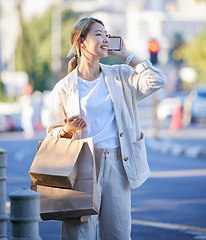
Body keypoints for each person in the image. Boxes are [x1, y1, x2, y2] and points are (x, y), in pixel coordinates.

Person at [47, 17, 167, 240]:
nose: (105, 38)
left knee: (118, 233)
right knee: (78, 233)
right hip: (81, 164)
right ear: (81, 42)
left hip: (118, 163)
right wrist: (67, 129)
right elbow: (51, 134)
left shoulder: (120, 75)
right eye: (98, 34)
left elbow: (157, 80)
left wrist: (127, 56)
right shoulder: (64, 87)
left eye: (106, 34)